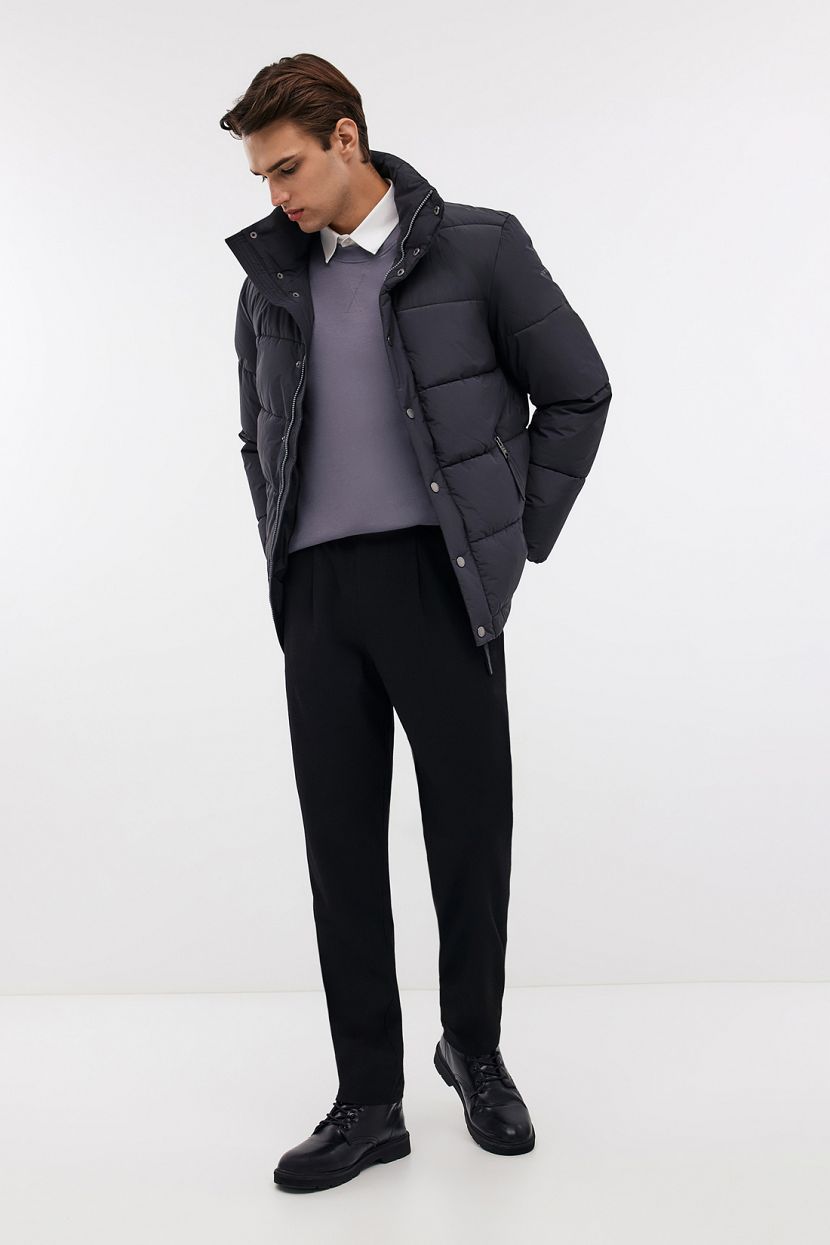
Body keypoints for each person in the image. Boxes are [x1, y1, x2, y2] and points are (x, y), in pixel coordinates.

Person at [220, 52, 612, 1193]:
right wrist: (285, 556)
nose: (276, 195)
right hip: (319, 597)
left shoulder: (477, 247)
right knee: (340, 850)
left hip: (441, 584)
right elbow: (256, 433)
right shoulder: (270, 282)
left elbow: (578, 389)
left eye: (287, 168)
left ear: (345, 139)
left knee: (468, 833)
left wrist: (510, 537)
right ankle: (368, 1101)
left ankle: (473, 1051)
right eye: (262, 176)